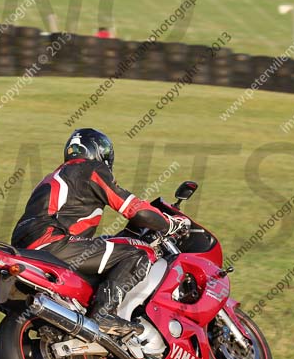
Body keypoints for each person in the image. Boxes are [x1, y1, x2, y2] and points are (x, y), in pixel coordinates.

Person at [11, 128, 177, 335]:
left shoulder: (53, 176)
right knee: (138, 253)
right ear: (98, 153)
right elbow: (136, 211)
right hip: (53, 243)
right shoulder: (91, 169)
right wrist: (170, 224)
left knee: (108, 248)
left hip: (26, 248)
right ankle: (104, 315)